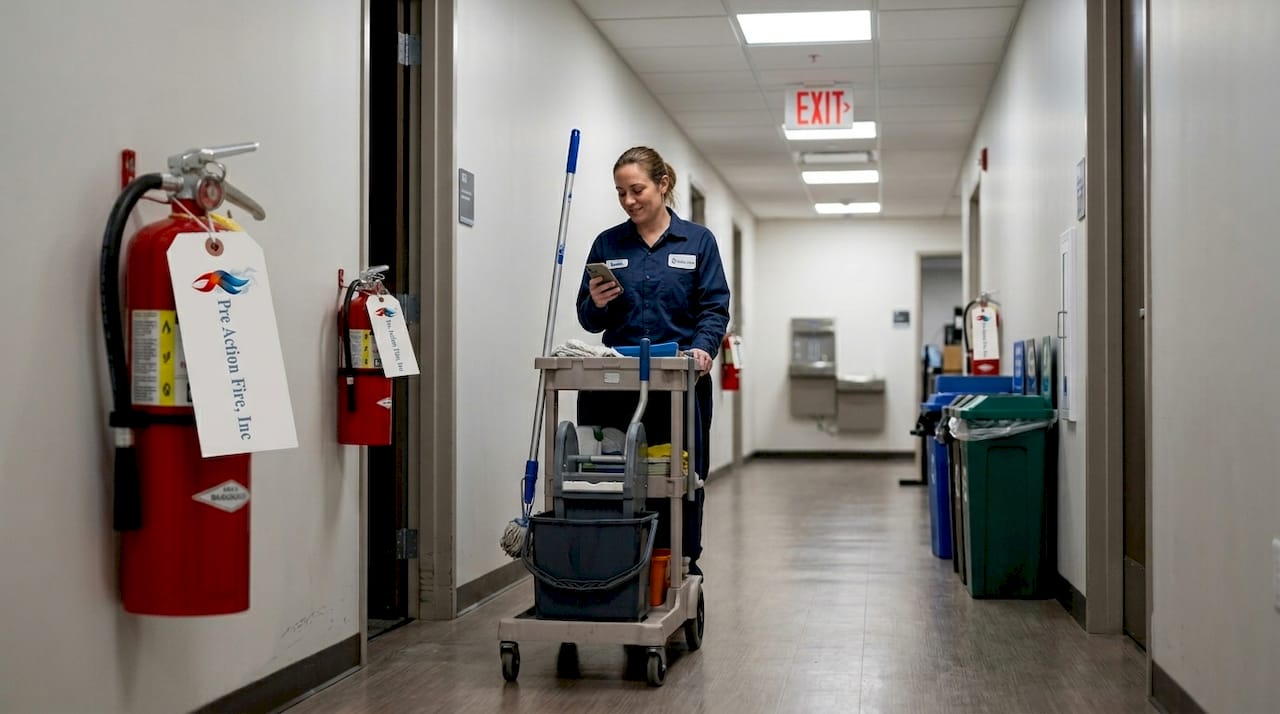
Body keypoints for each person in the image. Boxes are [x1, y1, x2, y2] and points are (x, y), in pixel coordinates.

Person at [575, 146, 730, 578]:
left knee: (679, 478)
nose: (628, 200)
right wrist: (596, 302)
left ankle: (680, 565)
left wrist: (703, 348)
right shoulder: (607, 244)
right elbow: (588, 319)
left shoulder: (698, 242)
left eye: (637, 190)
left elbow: (714, 308)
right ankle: (616, 569)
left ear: (663, 185)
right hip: (617, 387)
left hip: (679, 385)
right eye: (620, 192)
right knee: (614, 476)